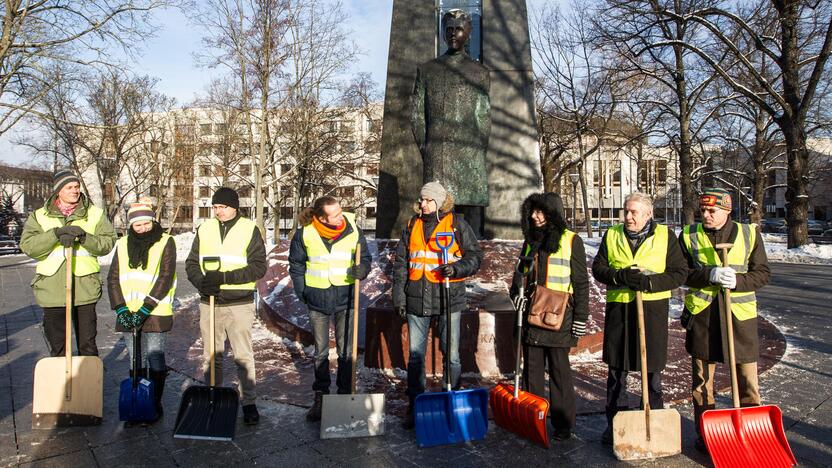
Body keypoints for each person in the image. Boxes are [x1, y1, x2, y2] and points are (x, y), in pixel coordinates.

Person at [591, 192, 688, 445]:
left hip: (652, 311)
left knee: (652, 371)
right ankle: (615, 425)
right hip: (620, 312)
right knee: (617, 371)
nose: (628, 217)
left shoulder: (665, 236)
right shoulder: (612, 235)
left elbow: (679, 272)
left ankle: (654, 420)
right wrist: (621, 276)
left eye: (634, 212)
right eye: (626, 211)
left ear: (648, 214)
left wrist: (649, 282)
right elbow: (598, 268)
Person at [678, 188, 770, 451]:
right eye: (702, 211)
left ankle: (751, 432)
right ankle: (706, 435)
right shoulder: (688, 234)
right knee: (702, 382)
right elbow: (681, 273)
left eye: (711, 211)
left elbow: (762, 273)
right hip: (703, 317)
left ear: (727, 211)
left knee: (747, 380)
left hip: (739, 318)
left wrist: (738, 281)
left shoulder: (749, 234)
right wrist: (709, 275)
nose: (705, 215)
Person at [392, 181, 483, 429]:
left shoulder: (457, 225)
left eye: (428, 200)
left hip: (448, 299)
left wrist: (455, 269)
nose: (422, 204)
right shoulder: (412, 226)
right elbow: (401, 264)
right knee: (416, 357)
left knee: (451, 355)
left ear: (440, 202)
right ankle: (416, 403)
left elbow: (475, 257)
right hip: (416, 300)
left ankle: (450, 398)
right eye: (421, 199)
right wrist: (399, 297)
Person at [509, 192, 589, 441]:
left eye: (540, 211)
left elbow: (581, 282)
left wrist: (580, 318)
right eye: (532, 211)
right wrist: (516, 295)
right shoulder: (530, 240)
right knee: (532, 370)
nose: (535, 216)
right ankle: (536, 418)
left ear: (552, 213)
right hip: (532, 313)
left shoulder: (571, 240)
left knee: (559, 371)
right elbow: (520, 272)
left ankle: (563, 423)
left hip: (560, 316)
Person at [185, 187, 266, 425]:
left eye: (223, 207)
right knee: (211, 354)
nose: (218, 211)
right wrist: (203, 283)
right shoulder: (205, 229)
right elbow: (191, 262)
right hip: (209, 302)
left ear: (234, 207)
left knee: (242, 355)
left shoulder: (249, 229)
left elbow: (258, 267)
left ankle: (249, 402)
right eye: (215, 207)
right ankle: (213, 396)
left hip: (239, 303)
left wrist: (223, 278)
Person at [288, 196, 372, 422]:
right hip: (317, 298)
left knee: (346, 351)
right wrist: (302, 291)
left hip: (346, 298)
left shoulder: (353, 228)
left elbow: (365, 257)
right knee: (321, 352)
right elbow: (296, 264)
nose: (340, 216)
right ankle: (321, 397)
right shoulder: (305, 233)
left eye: (340, 211)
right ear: (321, 217)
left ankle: (345, 394)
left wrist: (361, 269)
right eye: (334, 214)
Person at [19, 169, 116, 357]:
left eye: (77, 186)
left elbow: (107, 243)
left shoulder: (94, 214)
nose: (75, 190)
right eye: (69, 187)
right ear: (58, 191)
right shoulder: (39, 216)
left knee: (87, 345)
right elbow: (28, 246)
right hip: (52, 289)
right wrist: (54, 235)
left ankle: (86, 383)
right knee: (58, 346)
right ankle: (62, 383)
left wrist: (85, 237)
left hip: (84, 287)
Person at [411, 8, 491, 236]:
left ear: (469, 33)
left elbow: (483, 116)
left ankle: (471, 258)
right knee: (436, 211)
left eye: (458, 29)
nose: (453, 34)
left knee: (471, 215)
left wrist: (478, 149)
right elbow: (417, 114)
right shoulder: (427, 70)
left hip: (470, 155)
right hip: (438, 153)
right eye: (448, 29)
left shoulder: (479, 72)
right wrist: (426, 147)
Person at [107, 198, 176, 423]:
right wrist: (120, 309)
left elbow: (165, 277)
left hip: (155, 311)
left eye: (146, 223)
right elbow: (113, 278)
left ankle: (154, 402)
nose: (143, 228)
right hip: (128, 311)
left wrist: (146, 308)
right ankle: (138, 401)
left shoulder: (166, 242)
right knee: (136, 360)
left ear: (153, 221)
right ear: (131, 225)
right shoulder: (122, 244)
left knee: (155, 357)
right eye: (138, 225)